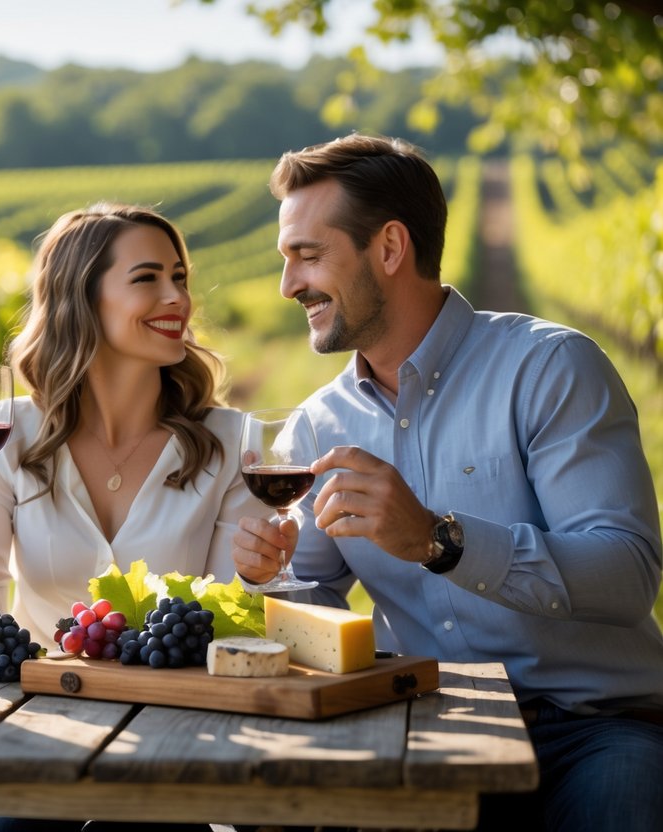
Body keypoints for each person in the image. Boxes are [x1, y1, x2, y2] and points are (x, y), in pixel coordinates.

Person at [231, 132, 663, 831]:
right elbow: (311, 599)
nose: (288, 285)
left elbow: (627, 573)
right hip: (428, 726)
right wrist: (268, 575)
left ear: (390, 248)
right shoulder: (315, 427)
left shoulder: (548, 367)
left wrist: (439, 540)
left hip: (596, 728)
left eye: (307, 256)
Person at [0, 202, 251, 832]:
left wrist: (260, 569)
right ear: (82, 300)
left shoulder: (229, 444)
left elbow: (230, 628)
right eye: (147, 277)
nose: (176, 295)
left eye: (179, 276)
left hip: (176, 741)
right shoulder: (4, 437)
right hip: (40, 732)